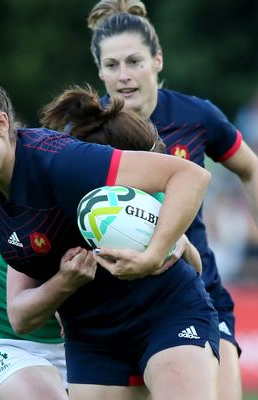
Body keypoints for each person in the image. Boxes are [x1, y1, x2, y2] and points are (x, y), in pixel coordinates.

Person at [0, 67, 219, 400]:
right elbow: (21, 317)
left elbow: (190, 179)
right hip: (82, 333)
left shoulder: (62, 163)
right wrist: (65, 281)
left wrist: (154, 252)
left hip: (159, 313)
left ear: (2, 125)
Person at [87, 1, 258, 397]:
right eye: (112, 65)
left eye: (135, 62)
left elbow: (250, 168)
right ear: (99, 70)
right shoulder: (82, 128)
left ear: (158, 60)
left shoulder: (196, 116)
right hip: (115, 307)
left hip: (199, 292)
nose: (124, 76)